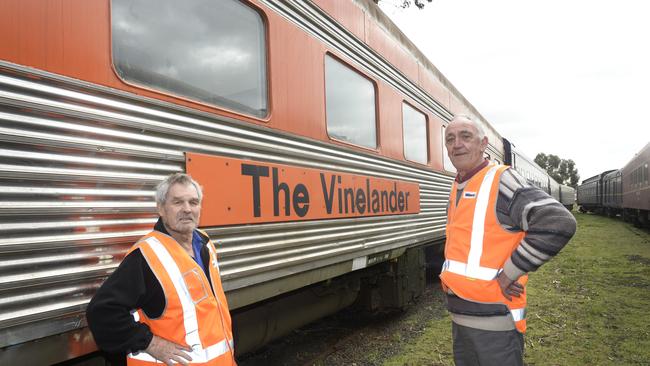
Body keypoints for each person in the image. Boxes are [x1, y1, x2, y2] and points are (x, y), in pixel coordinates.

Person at [440, 115, 576, 366]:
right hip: (461, 321)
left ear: (483, 144)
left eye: (465, 136)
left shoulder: (501, 180)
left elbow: (557, 221)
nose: (456, 144)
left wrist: (510, 272)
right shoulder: (458, 185)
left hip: (495, 327)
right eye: (450, 139)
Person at [86, 173, 236, 366]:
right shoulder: (147, 255)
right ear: (161, 208)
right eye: (177, 202)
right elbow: (101, 311)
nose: (187, 209)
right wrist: (151, 343)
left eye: (193, 202)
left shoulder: (205, 244)